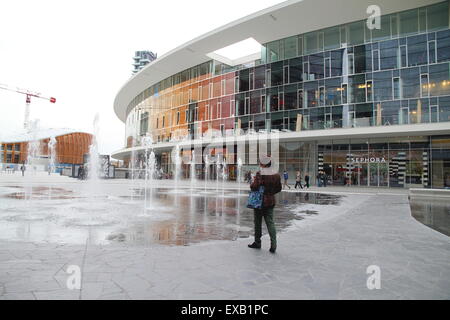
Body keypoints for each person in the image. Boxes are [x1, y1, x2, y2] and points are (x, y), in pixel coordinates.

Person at [248, 159, 282, 253]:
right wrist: (270, 193)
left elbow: (254, 186)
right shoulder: (276, 174)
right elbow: (279, 188)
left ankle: (257, 242)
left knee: (258, 223)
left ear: (263, 164)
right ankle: (273, 245)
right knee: (270, 223)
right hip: (270, 202)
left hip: (259, 202)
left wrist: (253, 182)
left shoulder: (260, 174)